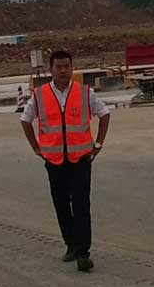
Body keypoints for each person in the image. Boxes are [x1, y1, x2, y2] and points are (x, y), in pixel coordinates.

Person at [20, 48, 111, 272]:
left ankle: (83, 253)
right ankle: (71, 244)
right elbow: (25, 120)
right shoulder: (40, 95)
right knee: (61, 204)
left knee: (81, 205)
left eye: (66, 66)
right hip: (54, 160)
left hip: (81, 159)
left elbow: (104, 113)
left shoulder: (84, 92)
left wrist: (98, 144)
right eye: (58, 67)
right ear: (51, 69)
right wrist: (36, 147)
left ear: (72, 68)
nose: (63, 71)